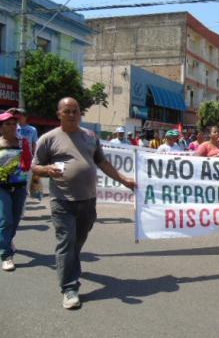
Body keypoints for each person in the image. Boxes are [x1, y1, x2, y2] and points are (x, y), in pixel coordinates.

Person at [31, 97, 135, 309]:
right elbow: (35, 167)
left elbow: (102, 162)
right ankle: (69, 288)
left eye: (75, 111)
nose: (72, 114)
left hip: (88, 200)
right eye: (67, 111)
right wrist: (46, 170)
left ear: (80, 113)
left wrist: (124, 180)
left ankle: (70, 263)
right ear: (59, 113)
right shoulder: (48, 139)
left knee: (77, 242)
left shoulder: (90, 136)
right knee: (67, 242)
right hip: (62, 201)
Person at [0, 112, 32, 272]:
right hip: (1, 187)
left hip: (19, 186)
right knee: (6, 220)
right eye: (7, 124)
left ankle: (7, 240)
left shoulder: (23, 142)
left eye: (14, 123)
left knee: (15, 219)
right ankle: (6, 255)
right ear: (1, 127)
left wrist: (19, 167)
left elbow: (28, 162)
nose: (12, 126)